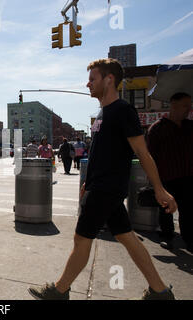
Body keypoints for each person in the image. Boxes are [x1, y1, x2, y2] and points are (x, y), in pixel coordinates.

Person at [28, 58, 178, 300]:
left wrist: (159, 189)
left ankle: (59, 290)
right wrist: (87, 181)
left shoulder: (123, 111)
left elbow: (143, 153)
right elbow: (99, 151)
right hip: (101, 186)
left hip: (107, 189)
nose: (88, 84)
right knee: (126, 237)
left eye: (92, 79)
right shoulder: (103, 112)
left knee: (81, 238)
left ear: (109, 80)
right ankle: (159, 291)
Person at [147, 92, 193, 253]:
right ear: (174, 106)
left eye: (190, 105)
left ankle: (189, 239)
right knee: (166, 209)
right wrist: (154, 181)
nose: (189, 109)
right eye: (185, 105)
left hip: (188, 176)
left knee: (188, 209)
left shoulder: (190, 127)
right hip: (166, 177)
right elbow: (150, 156)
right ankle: (167, 237)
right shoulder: (157, 128)